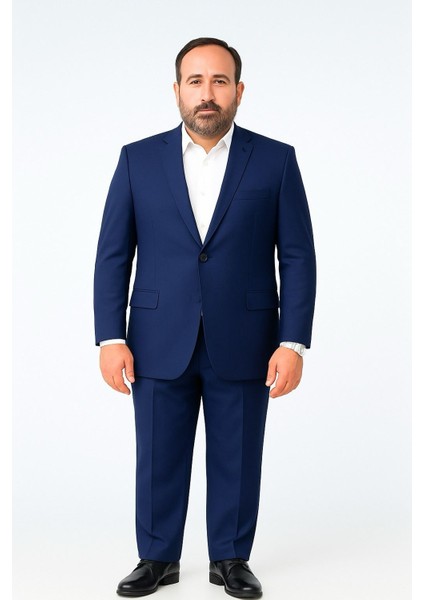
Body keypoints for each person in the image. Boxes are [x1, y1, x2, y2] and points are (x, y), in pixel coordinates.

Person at [94, 37, 316, 599]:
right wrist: (110, 336)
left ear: (239, 90)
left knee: (238, 454)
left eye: (219, 81)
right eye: (195, 81)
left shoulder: (276, 160)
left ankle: (231, 558)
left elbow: (297, 256)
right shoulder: (137, 159)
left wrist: (292, 341)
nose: (207, 93)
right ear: (177, 91)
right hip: (155, 337)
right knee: (157, 453)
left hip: (246, 337)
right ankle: (157, 558)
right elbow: (114, 254)